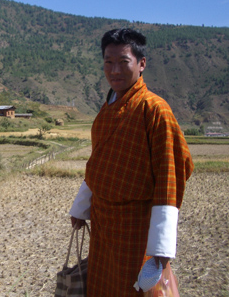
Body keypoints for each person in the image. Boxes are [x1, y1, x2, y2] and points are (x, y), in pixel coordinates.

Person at [69, 28, 194, 296]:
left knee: (135, 289)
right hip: (103, 224)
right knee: (103, 287)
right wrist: (81, 208)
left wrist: (160, 249)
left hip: (135, 228)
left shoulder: (155, 110)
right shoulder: (107, 109)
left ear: (141, 64)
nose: (114, 70)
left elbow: (169, 176)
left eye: (123, 62)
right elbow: (98, 163)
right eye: (108, 62)